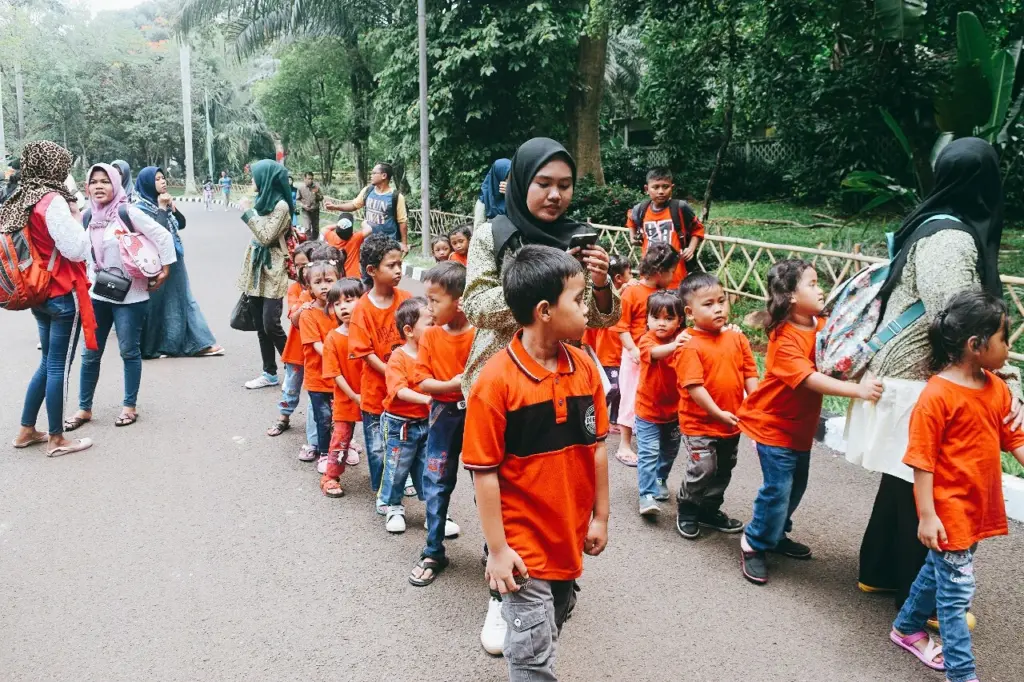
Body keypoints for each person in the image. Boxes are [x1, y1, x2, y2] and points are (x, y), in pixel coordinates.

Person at [848, 138, 1021, 620]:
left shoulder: (933, 224)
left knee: (901, 480)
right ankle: (920, 600)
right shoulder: (952, 237)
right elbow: (961, 319)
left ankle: (878, 571)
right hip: (918, 378)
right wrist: (994, 372)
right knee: (924, 485)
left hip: (905, 374)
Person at [461, 137, 619, 656]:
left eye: (565, 185)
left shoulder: (580, 235)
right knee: (502, 480)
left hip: (565, 378)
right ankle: (500, 582)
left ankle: (554, 574)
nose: (555, 195)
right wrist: (537, 287)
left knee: (556, 479)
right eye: (544, 184)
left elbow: (601, 317)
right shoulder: (494, 231)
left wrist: (595, 283)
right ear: (521, 183)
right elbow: (477, 302)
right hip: (501, 375)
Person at [890, 291, 1024, 682]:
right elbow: (921, 461)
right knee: (955, 595)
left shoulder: (995, 388)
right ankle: (961, 673)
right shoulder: (937, 396)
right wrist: (927, 515)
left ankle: (905, 627)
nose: (1008, 347)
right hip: (949, 511)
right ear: (975, 345)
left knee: (941, 570)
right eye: (1004, 338)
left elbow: (1012, 436)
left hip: (977, 506)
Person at [736, 259, 884, 585]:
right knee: (777, 490)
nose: (821, 289)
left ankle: (774, 533)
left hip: (798, 430)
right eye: (813, 284)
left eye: (819, 283)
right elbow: (811, 380)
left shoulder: (820, 324)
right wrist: (857, 391)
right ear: (790, 295)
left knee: (795, 487)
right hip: (772, 426)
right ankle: (754, 542)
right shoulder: (784, 339)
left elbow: (844, 343)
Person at [64, 164, 176, 431]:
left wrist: (165, 270)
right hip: (98, 293)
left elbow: (162, 235)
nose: (99, 186)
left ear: (116, 184)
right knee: (90, 352)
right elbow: (82, 252)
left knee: (128, 351)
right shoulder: (89, 216)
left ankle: (129, 406)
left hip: (132, 294)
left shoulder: (127, 212)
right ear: (87, 187)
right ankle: (84, 408)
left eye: (105, 181)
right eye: (94, 182)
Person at [7, 141, 95, 457]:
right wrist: (78, 216)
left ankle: (27, 429)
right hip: (61, 292)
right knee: (58, 365)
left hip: (36, 292)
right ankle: (57, 438)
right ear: (54, 167)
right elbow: (77, 248)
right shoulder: (53, 201)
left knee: (46, 362)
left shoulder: (19, 199)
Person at [674, 272, 759, 539]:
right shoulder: (689, 344)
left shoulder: (737, 338)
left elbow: (749, 372)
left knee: (724, 468)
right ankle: (688, 508)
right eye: (708, 304)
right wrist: (717, 413)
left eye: (722, 301)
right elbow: (694, 387)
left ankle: (709, 510)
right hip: (699, 423)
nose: (718, 308)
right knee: (703, 468)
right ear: (690, 311)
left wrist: (754, 405)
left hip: (731, 422)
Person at [408, 261, 474, 586]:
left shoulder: (481, 334)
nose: (428, 308)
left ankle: (496, 550)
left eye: (434, 301)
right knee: (435, 481)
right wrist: (453, 385)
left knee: (488, 481)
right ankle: (433, 551)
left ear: (459, 301)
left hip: (478, 416)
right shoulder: (431, 336)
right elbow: (421, 381)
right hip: (442, 416)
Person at [349, 233, 412, 510]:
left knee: (406, 439)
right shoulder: (362, 308)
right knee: (376, 446)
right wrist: (391, 371)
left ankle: (401, 480)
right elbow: (365, 351)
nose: (398, 270)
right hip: (375, 392)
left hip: (407, 391)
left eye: (400, 264)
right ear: (372, 271)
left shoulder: (408, 301)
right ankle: (382, 490)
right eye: (391, 265)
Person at [135, 166, 223, 359]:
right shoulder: (140, 208)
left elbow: (181, 224)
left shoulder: (162, 201)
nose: (163, 181)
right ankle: (149, 348)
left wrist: (170, 207)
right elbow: (159, 232)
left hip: (174, 257)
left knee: (182, 298)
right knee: (156, 302)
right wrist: (161, 208)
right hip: (155, 261)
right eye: (158, 179)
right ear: (148, 183)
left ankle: (200, 342)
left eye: (163, 178)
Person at [611, 242, 680, 467]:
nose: (673, 276)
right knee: (631, 397)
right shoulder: (632, 291)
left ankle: (648, 437)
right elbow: (621, 326)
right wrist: (632, 350)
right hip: (634, 356)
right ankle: (624, 444)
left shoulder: (664, 294)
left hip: (657, 356)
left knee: (653, 394)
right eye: (672, 271)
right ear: (660, 272)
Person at [236, 160, 294, 390]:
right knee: (260, 323)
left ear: (266, 178)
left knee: (271, 323)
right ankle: (269, 372)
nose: (253, 181)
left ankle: (293, 367)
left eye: (256, 176)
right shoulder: (262, 202)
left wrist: (247, 213)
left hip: (274, 268)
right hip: (257, 269)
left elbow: (266, 236)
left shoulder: (281, 206)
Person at [378, 297, 433, 533]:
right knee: (397, 466)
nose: (435, 329)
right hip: (400, 425)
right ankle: (393, 507)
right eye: (430, 324)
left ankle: (435, 511)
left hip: (426, 422)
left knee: (429, 468)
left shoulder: (432, 353)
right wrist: (428, 398)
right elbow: (398, 391)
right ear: (409, 330)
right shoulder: (398, 357)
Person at [634, 291, 686, 517]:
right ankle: (645, 494)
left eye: (668, 318)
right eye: (656, 317)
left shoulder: (684, 337)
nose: (661, 323)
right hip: (648, 411)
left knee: (670, 451)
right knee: (649, 452)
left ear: (680, 321)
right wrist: (676, 345)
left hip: (675, 413)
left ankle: (660, 478)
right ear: (647, 319)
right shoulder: (647, 340)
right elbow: (655, 353)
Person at [266, 241, 318, 440]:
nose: (303, 269)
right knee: (291, 384)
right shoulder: (295, 289)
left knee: (323, 391)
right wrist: (309, 298)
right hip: (298, 349)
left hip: (320, 351)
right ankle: (283, 418)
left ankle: (328, 425)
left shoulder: (329, 286)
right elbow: (295, 318)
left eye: (307, 264)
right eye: (298, 265)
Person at [319, 277, 366, 497]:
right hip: (346, 398)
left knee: (384, 440)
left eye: (349, 300)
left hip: (373, 396)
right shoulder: (333, 338)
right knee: (340, 439)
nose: (343, 307)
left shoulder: (369, 333)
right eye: (337, 304)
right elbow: (334, 374)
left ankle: (393, 478)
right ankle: (330, 476)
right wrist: (354, 396)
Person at [626, 167, 705, 289]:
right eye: (656, 187)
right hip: (649, 273)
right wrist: (632, 237)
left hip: (675, 273)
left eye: (665, 187)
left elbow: (698, 229)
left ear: (672, 188)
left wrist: (691, 248)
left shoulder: (680, 208)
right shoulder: (641, 209)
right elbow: (631, 219)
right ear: (647, 189)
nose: (661, 191)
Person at [299, 259, 342, 474]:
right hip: (318, 378)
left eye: (329, 280)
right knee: (323, 418)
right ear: (309, 288)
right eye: (318, 282)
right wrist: (340, 355)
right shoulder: (308, 314)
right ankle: (325, 453)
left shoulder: (342, 310)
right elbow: (317, 346)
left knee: (343, 416)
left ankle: (344, 447)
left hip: (341, 377)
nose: (324, 286)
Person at [581, 253, 631, 429]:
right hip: (606, 352)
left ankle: (613, 420)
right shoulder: (602, 296)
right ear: (618, 278)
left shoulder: (626, 294)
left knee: (619, 388)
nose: (631, 277)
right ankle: (597, 416)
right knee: (612, 387)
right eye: (629, 273)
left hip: (615, 352)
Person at [325, 163, 409, 252]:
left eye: (374, 173)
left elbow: (402, 222)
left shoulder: (396, 197)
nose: (371, 175)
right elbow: (354, 205)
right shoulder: (368, 191)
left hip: (388, 243)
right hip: (368, 241)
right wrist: (335, 207)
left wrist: (404, 244)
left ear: (384, 175)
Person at [324, 213, 371, 279]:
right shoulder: (355, 238)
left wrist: (339, 225)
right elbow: (369, 229)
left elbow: (324, 228)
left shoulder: (331, 236)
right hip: (353, 277)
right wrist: (364, 224)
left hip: (337, 276)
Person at [474, 158, 511, 228]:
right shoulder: (484, 200)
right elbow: (478, 228)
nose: (509, 180)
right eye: (506, 177)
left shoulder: (517, 193)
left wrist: (511, 195)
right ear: (498, 177)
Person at [297, 171, 323, 240]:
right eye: (308, 179)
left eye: (311, 179)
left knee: (316, 228)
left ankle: (314, 243)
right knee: (307, 228)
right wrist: (303, 206)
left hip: (315, 211)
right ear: (304, 179)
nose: (310, 180)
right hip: (305, 211)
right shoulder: (300, 188)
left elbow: (321, 198)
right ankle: (308, 244)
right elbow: (297, 200)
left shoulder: (316, 187)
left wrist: (317, 194)